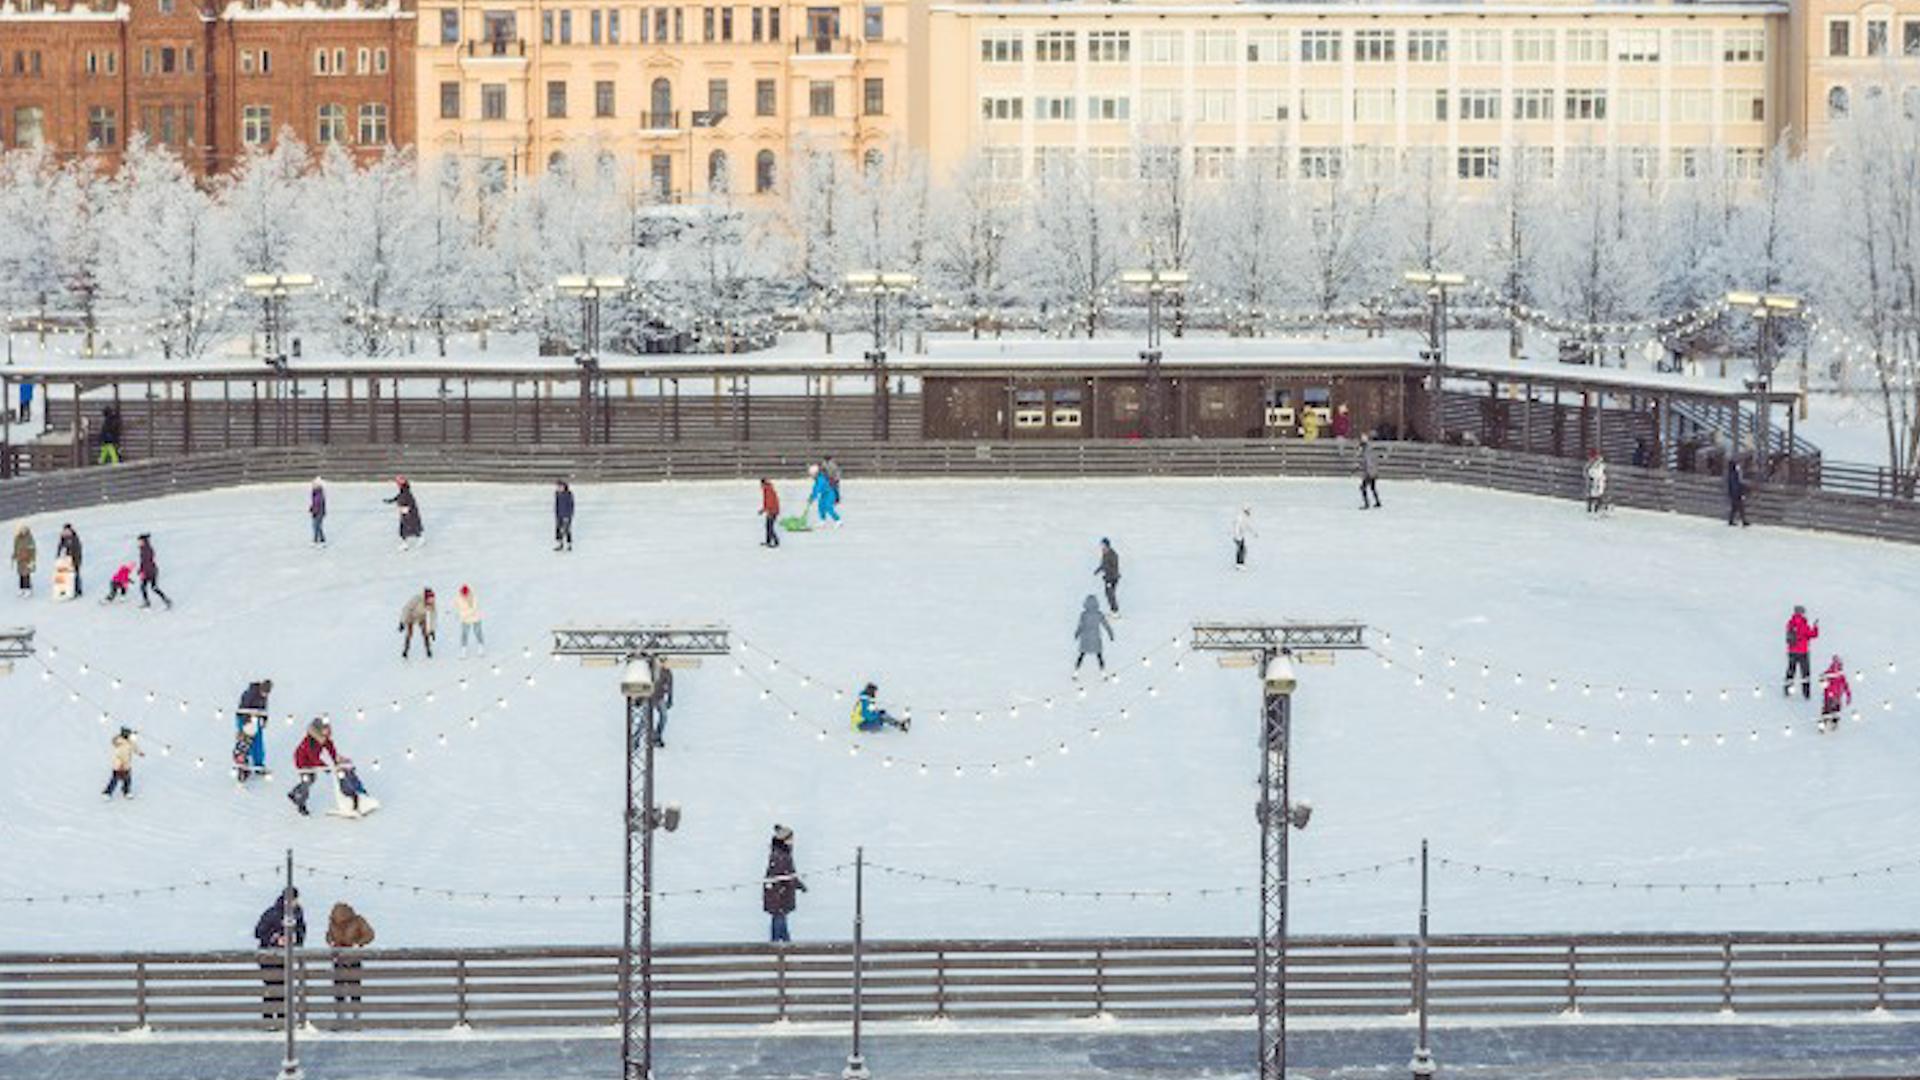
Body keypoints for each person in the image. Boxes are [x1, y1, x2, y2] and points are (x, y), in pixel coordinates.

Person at [253, 888, 306, 1021]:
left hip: (286, 957)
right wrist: (275, 938)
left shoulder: (298, 913)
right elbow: (259, 932)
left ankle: (283, 1018)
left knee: (285, 987)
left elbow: (301, 930)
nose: (292, 903)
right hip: (269, 957)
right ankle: (269, 1018)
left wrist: (296, 939)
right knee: (271, 987)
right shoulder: (272, 913)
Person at [326, 902, 376, 1025]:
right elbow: (329, 935)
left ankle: (351, 1016)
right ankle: (344, 1015)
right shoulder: (334, 922)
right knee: (342, 987)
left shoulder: (357, 921)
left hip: (349, 958)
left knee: (351, 987)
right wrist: (332, 943)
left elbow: (369, 935)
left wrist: (357, 944)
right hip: (342, 958)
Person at [762, 824, 806, 944]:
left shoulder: (779, 854)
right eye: (790, 839)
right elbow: (786, 875)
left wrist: (798, 884)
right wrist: (798, 884)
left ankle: (783, 942)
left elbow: (788, 874)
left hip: (778, 894)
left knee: (780, 918)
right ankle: (779, 944)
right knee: (779, 918)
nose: (793, 842)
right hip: (779, 895)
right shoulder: (781, 856)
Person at [288, 719, 340, 816]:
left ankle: (293, 792)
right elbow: (314, 758)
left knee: (312, 779)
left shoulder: (322, 738)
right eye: (325, 730)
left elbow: (330, 747)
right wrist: (326, 767)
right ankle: (301, 803)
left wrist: (335, 760)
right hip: (302, 762)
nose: (327, 733)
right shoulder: (310, 742)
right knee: (307, 781)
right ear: (318, 730)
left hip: (310, 761)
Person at [235, 679, 273, 781]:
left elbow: (264, 709)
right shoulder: (251, 693)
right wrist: (247, 721)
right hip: (245, 719)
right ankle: (243, 765)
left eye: (267, 693)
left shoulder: (264, 697)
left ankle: (258, 764)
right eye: (264, 692)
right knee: (245, 741)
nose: (265, 694)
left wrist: (264, 719)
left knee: (258, 742)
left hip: (256, 720)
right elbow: (244, 707)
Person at [1785, 605, 1819, 700]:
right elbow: (1812, 635)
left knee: (1791, 671)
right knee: (1805, 673)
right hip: (1803, 651)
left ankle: (1787, 689)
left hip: (1792, 651)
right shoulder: (1804, 624)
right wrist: (1815, 627)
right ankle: (1806, 693)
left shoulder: (1790, 623)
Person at [1074, 595, 1114, 673]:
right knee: (1099, 655)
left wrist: (1077, 633)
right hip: (1095, 636)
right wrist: (1111, 635)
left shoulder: (1084, 614)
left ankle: (1076, 671)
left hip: (1085, 637)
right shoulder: (1099, 614)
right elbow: (1106, 625)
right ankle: (1103, 671)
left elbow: (1081, 625)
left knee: (1082, 655)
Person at [103, 726, 142, 799]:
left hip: (127, 764)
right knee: (115, 779)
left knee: (127, 779)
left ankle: (126, 791)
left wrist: (139, 753)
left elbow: (135, 748)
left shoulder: (131, 741)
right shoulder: (119, 741)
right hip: (118, 764)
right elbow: (114, 742)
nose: (128, 735)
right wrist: (120, 764)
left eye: (128, 734)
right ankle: (107, 792)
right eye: (126, 734)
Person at [385, 476, 424, 551]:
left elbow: (407, 501)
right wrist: (391, 501)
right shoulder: (404, 491)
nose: (397, 484)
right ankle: (418, 539)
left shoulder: (406, 492)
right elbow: (398, 497)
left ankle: (406, 544)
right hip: (407, 512)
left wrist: (405, 508)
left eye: (398, 483)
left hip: (409, 513)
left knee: (406, 528)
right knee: (410, 527)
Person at [136, 533, 172, 609]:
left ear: (144, 541)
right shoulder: (143, 549)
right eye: (139, 541)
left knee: (154, 588)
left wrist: (145, 572)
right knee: (143, 587)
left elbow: (148, 562)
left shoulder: (147, 549)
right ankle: (147, 602)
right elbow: (143, 562)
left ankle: (167, 600)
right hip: (147, 571)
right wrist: (140, 569)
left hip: (151, 571)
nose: (139, 542)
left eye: (140, 541)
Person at [399, 587, 436, 659]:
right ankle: (406, 650)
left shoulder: (432, 604)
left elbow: (433, 616)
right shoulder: (417, 599)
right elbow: (406, 609)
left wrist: (432, 629)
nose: (430, 603)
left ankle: (428, 650)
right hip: (411, 616)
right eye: (429, 600)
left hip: (421, 617)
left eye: (431, 601)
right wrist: (402, 622)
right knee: (409, 633)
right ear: (425, 597)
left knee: (426, 633)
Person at [1819, 656, 1852, 733]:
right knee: (1827, 710)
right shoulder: (1829, 673)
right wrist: (1822, 678)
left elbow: (1845, 685)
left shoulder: (1841, 675)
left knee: (1836, 710)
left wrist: (1848, 695)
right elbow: (1822, 679)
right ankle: (1823, 724)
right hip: (1829, 695)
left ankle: (1834, 722)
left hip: (1837, 695)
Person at [454, 584, 485, 657]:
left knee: (478, 632)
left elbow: (473, 609)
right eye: (463, 594)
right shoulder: (458, 598)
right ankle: (463, 650)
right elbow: (457, 608)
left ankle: (481, 647)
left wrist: (463, 614)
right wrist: (460, 614)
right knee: (464, 634)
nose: (464, 595)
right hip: (465, 620)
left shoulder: (473, 597)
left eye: (466, 593)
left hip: (475, 618)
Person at [1094, 539, 1121, 616]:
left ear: (1107, 545)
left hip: (1112, 577)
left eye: (1103, 545)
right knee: (1108, 593)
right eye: (1101, 545)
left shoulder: (1113, 554)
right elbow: (1103, 564)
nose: (1102, 547)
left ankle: (1115, 611)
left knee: (1110, 593)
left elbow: (1114, 567)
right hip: (1107, 577)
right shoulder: (1105, 554)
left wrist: (1109, 574)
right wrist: (1097, 571)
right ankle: (1113, 610)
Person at [650, 666, 675, 748]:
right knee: (644, 719)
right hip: (647, 697)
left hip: (659, 697)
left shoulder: (667, 672)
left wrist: (670, 698)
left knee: (664, 716)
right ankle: (636, 738)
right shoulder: (648, 668)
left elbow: (670, 686)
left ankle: (657, 736)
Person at [56, 523, 82, 598]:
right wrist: (58, 557)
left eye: (68, 530)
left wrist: (76, 560)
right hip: (65, 561)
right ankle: (66, 591)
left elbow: (77, 550)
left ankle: (78, 590)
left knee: (75, 575)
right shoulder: (63, 538)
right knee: (65, 576)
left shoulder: (74, 538)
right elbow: (60, 548)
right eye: (65, 530)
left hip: (74, 560)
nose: (66, 532)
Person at [1359, 434, 1382, 509]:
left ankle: (1366, 503)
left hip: (1369, 472)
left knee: (1363, 487)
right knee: (1372, 487)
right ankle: (1377, 502)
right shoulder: (1370, 450)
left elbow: (1368, 463)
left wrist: (1368, 473)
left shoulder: (1367, 452)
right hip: (1373, 472)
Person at [1726, 458, 1749, 528]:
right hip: (1736, 494)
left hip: (1734, 494)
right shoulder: (1734, 474)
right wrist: (1740, 493)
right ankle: (1743, 521)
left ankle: (1731, 520)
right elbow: (1736, 485)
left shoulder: (1732, 473)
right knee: (1740, 507)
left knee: (1735, 508)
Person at [12, 524, 34, 598]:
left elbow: (32, 549)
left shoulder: (29, 538)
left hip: (27, 559)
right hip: (20, 559)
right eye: (21, 530)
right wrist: (14, 555)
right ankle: (21, 588)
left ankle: (28, 588)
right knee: (21, 574)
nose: (22, 531)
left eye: (24, 530)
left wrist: (32, 560)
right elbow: (15, 548)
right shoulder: (17, 538)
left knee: (26, 574)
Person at [759, 478, 781, 548]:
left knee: (770, 527)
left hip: (773, 511)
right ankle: (768, 541)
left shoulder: (768, 490)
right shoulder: (767, 490)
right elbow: (767, 502)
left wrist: (769, 511)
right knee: (768, 526)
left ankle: (776, 541)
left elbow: (770, 502)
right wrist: (763, 510)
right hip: (771, 510)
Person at [554, 479, 575, 552]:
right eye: (558, 487)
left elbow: (570, 506)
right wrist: (556, 514)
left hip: (566, 515)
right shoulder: (557, 494)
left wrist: (568, 516)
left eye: (560, 487)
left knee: (566, 530)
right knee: (558, 530)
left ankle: (569, 545)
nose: (559, 488)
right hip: (559, 515)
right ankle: (560, 544)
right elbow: (557, 505)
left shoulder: (568, 495)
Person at [310, 478, 328, 546]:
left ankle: (316, 540)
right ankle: (321, 539)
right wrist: (312, 508)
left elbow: (319, 504)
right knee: (317, 526)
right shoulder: (314, 493)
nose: (313, 486)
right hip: (316, 512)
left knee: (316, 526)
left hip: (319, 513)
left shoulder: (319, 494)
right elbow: (314, 503)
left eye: (314, 485)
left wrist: (316, 511)